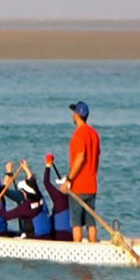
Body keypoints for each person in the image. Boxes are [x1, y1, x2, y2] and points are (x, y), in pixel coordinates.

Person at [60, 101, 101, 243]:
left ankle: (77, 249)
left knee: (76, 223)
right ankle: (93, 246)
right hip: (92, 185)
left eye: (74, 112)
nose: (72, 115)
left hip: (78, 186)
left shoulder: (79, 134)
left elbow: (80, 157)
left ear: (77, 115)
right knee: (91, 223)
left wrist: (69, 179)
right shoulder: (94, 134)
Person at [41, 153, 73, 241]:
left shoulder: (59, 198)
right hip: (70, 235)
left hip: (59, 235)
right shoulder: (73, 198)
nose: (59, 187)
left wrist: (48, 166)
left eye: (61, 185)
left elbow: (46, 182)